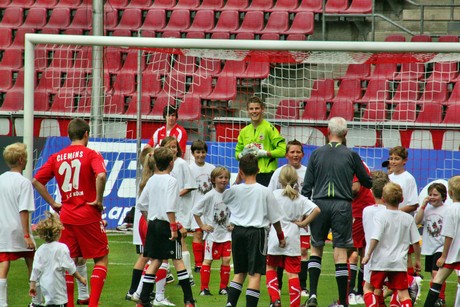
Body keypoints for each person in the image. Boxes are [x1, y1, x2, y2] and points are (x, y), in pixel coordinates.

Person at [33, 118, 108, 307]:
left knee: (70, 261)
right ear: (86, 134)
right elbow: (100, 175)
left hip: (66, 215)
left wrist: (53, 203)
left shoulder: (56, 157)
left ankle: (69, 304)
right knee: (101, 258)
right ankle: (93, 304)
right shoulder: (91, 154)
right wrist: (98, 200)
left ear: (68, 135)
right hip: (88, 214)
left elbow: (36, 181)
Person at [301, 117, 372, 307]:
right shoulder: (351, 155)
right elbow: (366, 181)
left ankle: (313, 295)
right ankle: (343, 302)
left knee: (316, 248)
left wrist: (303, 212)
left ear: (327, 131)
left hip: (320, 204)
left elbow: (306, 187)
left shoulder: (316, 154)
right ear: (346, 133)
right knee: (341, 253)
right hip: (342, 205)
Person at [223, 154, 286, 307]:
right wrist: (280, 235)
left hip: (237, 233)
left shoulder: (235, 190)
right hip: (256, 234)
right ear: (258, 169)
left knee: (239, 273)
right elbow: (275, 218)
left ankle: (230, 304)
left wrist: (237, 180)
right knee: (254, 274)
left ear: (240, 171)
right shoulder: (264, 191)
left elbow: (225, 198)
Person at [136, 147, 196, 307]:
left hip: (154, 224)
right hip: (167, 224)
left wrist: (149, 220)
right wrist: (173, 227)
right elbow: (170, 207)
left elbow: (141, 204)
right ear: (171, 163)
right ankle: (189, 300)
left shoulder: (152, 180)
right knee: (178, 260)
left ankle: (142, 299)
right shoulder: (171, 181)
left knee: (155, 260)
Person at [266, 165, 320, 307]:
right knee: (292, 273)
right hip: (293, 237)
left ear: (280, 179)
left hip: (275, 236)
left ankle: (275, 299)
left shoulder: (273, 195)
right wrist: (303, 223)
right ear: (296, 180)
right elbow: (316, 210)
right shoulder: (300, 198)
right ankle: (294, 305)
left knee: (271, 268)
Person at [362, 182, 421, 307]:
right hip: (399, 262)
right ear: (402, 199)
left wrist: (367, 255)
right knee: (403, 294)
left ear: (383, 199)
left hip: (380, 262)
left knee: (368, 288)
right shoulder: (408, 218)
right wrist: (417, 260)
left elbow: (375, 237)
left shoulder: (380, 216)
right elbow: (416, 241)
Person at [267, 139, 310, 297]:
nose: (295, 154)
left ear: (303, 154)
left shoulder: (308, 172)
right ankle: (277, 285)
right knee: (279, 253)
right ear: (286, 155)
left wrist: (306, 215)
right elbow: (270, 194)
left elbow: (312, 195)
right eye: (292, 152)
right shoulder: (279, 172)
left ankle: (303, 286)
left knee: (303, 251)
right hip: (283, 221)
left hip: (302, 219)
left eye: (298, 152)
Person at [0, 142, 39, 307]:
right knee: (32, 260)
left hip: (2, 229)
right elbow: (24, 210)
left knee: (3, 263)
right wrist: (26, 235)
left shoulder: (1, 179)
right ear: (22, 159)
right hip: (19, 229)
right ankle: (36, 300)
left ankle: (2, 302)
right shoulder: (24, 183)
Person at [29, 212, 87, 307]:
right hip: (58, 287)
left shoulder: (40, 250)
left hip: (45, 286)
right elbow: (70, 267)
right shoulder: (62, 248)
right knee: (58, 304)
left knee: (49, 303)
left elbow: (35, 270)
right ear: (59, 232)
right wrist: (80, 278)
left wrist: (32, 285)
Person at [161, 136, 197, 284]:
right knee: (165, 238)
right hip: (167, 208)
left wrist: (174, 194)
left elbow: (190, 185)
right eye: (169, 147)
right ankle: (166, 272)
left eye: (174, 147)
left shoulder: (182, 164)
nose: (173, 149)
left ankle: (188, 276)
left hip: (180, 209)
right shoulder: (162, 165)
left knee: (181, 239)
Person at [192, 166, 232, 296]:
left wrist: (233, 224)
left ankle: (223, 288)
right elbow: (195, 211)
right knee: (208, 260)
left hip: (226, 235)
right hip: (212, 236)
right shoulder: (209, 195)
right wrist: (202, 226)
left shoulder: (230, 195)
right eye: (220, 177)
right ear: (213, 180)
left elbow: (235, 211)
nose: (224, 180)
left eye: (226, 178)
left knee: (226, 260)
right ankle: (204, 288)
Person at [424, 176, 460, 307]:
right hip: (455, 253)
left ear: (450, 193)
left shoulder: (451, 210)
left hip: (453, 253)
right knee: (439, 278)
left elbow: (449, 235)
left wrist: (444, 256)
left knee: (438, 279)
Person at [235, 95, 286, 187]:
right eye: (251, 109)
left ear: (262, 109)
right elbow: (237, 154)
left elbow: (283, 151)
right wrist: (242, 154)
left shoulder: (269, 128)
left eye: (257, 108)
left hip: (266, 175)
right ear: (248, 111)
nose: (254, 111)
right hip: (249, 175)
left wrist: (265, 153)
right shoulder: (244, 131)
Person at [414, 183, 448, 307]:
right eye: (430, 195)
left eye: (435, 195)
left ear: (443, 196)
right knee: (432, 274)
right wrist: (423, 206)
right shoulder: (427, 209)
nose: (432, 197)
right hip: (429, 247)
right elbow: (417, 221)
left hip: (441, 246)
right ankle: (437, 298)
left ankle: (440, 298)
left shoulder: (447, 210)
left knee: (436, 273)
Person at [361, 171, 390, 307]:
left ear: (372, 191)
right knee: (385, 288)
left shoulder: (367, 210)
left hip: (372, 255)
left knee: (368, 288)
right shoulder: (394, 212)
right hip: (391, 254)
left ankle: (411, 281)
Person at [348, 161, 375, 305]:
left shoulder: (351, 163)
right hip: (367, 209)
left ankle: (352, 292)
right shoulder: (360, 163)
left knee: (351, 251)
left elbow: (355, 189)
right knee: (365, 253)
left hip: (358, 212)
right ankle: (362, 290)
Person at [189, 140, 215, 273]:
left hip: (209, 208)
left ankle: (206, 261)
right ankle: (198, 264)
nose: (200, 155)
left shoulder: (211, 168)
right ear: (193, 153)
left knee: (208, 234)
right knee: (198, 233)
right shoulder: (189, 168)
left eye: (203, 152)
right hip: (195, 206)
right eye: (197, 152)